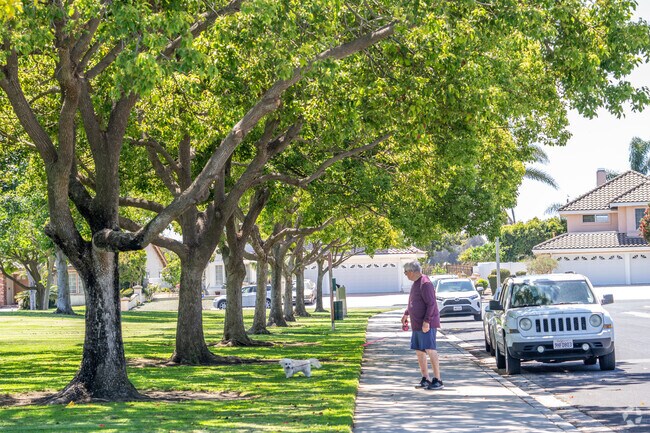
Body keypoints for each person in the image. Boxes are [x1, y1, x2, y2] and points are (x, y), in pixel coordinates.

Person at [401, 261, 444, 390]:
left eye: (406, 272)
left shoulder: (425, 283)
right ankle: (425, 378)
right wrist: (406, 313)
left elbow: (431, 304)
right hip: (416, 323)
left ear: (413, 271)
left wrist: (427, 321)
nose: (405, 275)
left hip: (426, 324)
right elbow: (413, 302)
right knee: (420, 351)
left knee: (430, 349)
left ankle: (438, 379)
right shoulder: (415, 284)